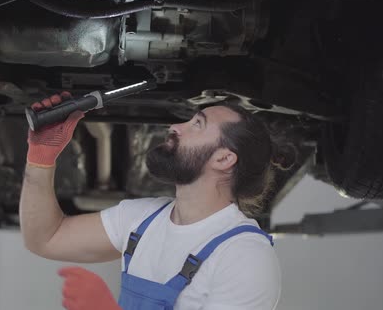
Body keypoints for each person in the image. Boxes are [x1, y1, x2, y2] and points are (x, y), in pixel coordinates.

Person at [20, 92, 283, 310]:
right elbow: (46, 238)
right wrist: (41, 159)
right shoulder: (143, 219)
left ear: (224, 159)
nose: (175, 127)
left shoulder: (244, 255)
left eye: (197, 125)